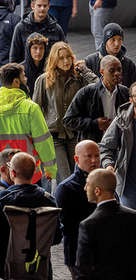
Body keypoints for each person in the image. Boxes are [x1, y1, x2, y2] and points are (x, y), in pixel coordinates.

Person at [0, 152, 61, 278]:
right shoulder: (48, 200)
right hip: (39, 268)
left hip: (5, 268)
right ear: (34, 172)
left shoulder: (2, 199)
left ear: (13, 173)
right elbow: (57, 236)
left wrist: (2, 249)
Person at [0, 63, 57, 184]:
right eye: (23, 77)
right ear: (16, 81)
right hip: (29, 174)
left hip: (3, 174)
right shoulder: (31, 108)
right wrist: (50, 170)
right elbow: (43, 142)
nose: (26, 79)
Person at [33, 42, 97, 183]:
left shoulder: (79, 78)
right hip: (54, 137)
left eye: (68, 56)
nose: (66, 61)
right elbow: (35, 111)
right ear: (54, 60)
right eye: (61, 58)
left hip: (75, 134)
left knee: (80, 177)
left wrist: (84, 70)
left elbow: (98, 87)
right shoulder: (44, 81)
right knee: (65, 178)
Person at [75, 168, 136, 279]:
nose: (85, 188)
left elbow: (83, 269)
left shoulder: (88, 225)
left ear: (97, 191)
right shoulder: (133, 216)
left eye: (88, 184)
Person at [53, 140, 99, 277]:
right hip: (79, 255)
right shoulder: (66, 188)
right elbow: (66, 228)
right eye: (88, 156)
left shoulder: (105, 181)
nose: (94, 160)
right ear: (77, 159)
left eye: (97, 156)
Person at [63, 55, 128, 142]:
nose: (117, 73)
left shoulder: (125, 93)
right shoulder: (87, 92)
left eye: (119, 69)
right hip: (93, 147)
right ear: (102, 72)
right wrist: (95, 124)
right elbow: (68, 121)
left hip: (118, 146)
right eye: (111, 70)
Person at [100, 80, 136, 208]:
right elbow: (105, 148)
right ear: (131, 100)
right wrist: (108, 165)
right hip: (128, 185)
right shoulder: (121, 121)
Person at [9, 0, 66, 64]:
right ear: (32, 6)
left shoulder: (55, 28)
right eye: (39, 5)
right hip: (26, 72)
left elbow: (64, 52)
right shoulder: (21, 27)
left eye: (45, 6)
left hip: (49, 72)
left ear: (49, 6)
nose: (42, 8)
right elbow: (14, 55)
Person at [84, 22, 136, 87]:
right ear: (105, 42)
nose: (117, 44)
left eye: (119, 39)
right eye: (113, 40)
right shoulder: (90, 62)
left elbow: (133, 89)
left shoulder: (129, 65)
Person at [21, 32, 49, 98]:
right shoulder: (21, 69)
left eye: (41, 48)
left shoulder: (49, 67)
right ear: (29, 49)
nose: (38, 52)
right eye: (35, 48)